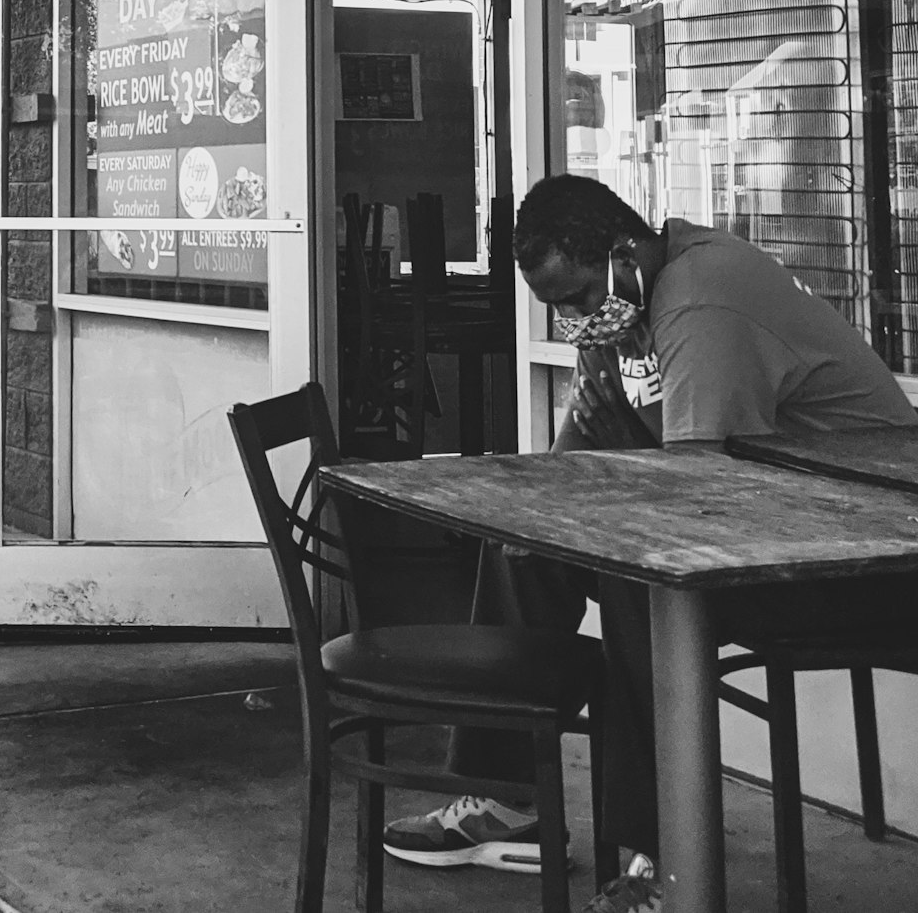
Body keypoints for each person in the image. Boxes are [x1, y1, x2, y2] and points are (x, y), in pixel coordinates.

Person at [383, 175, 916, 913]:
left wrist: (618, 440)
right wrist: (535, 506)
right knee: (528, 551)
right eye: (555, 310)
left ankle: (658, 864)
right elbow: (582, 453)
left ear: (623, 252)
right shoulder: (623, 308)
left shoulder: (703, 298)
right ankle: (508, 801)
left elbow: (691, 492)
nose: (572, 320)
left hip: (861, 552)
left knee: (644, 582)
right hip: (769, 527)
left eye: (575, 299)